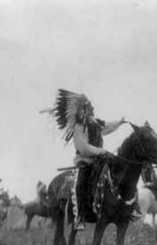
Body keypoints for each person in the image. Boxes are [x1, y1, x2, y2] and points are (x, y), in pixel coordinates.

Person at [48, 89, 138, 230]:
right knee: (80, 184)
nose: (93, 108)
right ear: (84, 108)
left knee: (120, 172)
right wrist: (101, 151)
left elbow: (106, 127)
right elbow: (83, 147)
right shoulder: (79, 126)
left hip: (99, 159)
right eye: (90, 106)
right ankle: (78, 218)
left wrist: (119, 123)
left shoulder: (94, 123)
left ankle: (129, 208)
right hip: (85, 162)